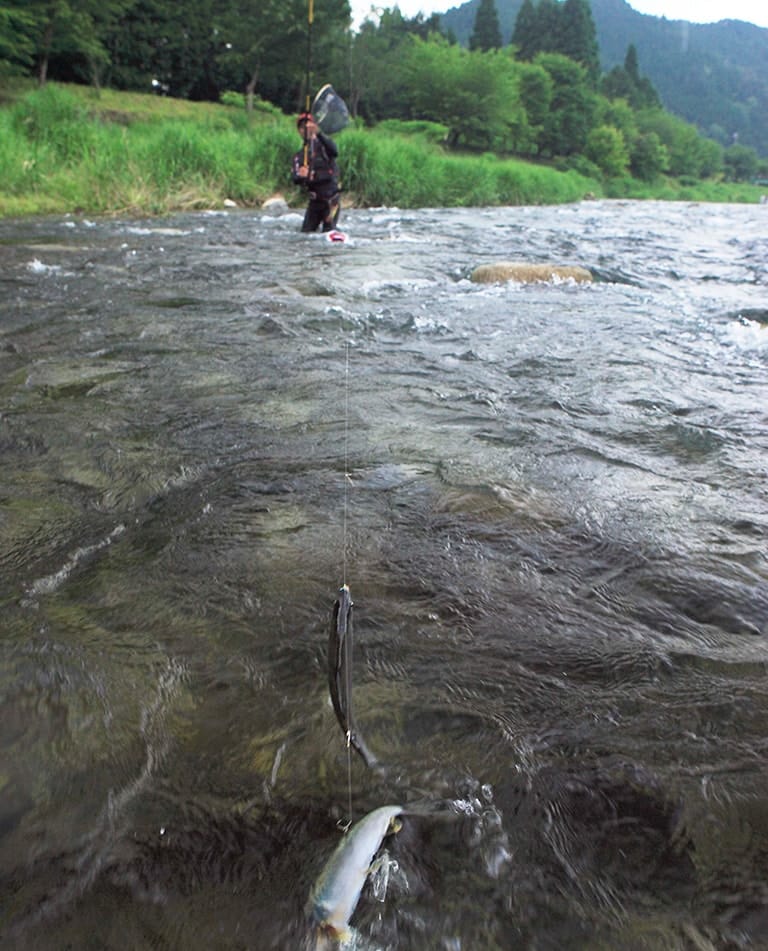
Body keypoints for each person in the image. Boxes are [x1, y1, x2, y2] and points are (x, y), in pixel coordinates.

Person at [291, 111, 341, 233]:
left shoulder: (324, 146)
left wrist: (318, 133)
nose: (305, 130)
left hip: (331, 200)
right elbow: (295, 178)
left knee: (329, 232)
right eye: (302, 128)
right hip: (314, 203)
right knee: (306, 234)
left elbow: (335, 151)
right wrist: (301, 176)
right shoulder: (299, 155)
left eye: (308, 126)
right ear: (299, 131)